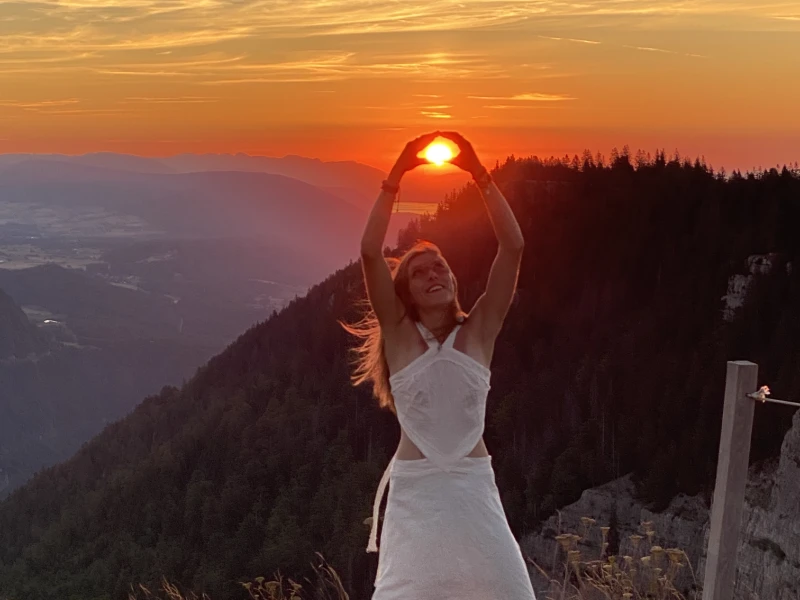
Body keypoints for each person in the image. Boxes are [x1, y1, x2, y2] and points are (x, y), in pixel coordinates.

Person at [342, 131, 536, 599]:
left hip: (474, 487)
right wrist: (397, 172)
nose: (434, 274)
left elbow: (512, 247)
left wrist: (479, 173)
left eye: (440, 267)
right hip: (418, 493)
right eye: (420, 272)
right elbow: (370, 252)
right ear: (406, 291)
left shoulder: (480, 330)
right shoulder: (399, 335)